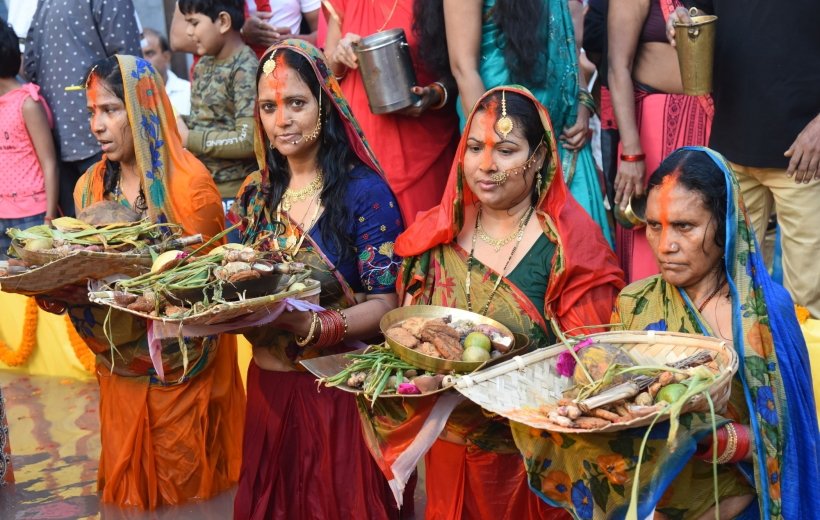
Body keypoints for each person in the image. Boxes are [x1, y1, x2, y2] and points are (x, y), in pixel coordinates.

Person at [355, 87, 623, 519]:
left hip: (526, 465)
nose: (485, 165)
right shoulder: (436, 236)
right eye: (475, 147)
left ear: (537, 159)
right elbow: (410, 336)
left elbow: (590, 368)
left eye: (506, 150)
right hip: (447, 452)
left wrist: (487, 386)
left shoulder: (572, 249)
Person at [513, 147, 820, 518]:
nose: (665, 245)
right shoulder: (636, 303)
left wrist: (707, 439)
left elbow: (788, 441)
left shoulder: (762, 313)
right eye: (655, 226)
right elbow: (617, 412)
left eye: (684, 226)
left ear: (724, 225)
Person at [37, 55, 245, 509]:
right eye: (92, 112)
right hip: (119, 366)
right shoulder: (88, 187)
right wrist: (57, 290)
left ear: (143, 107)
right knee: (125, 501)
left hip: (184, 371)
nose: (98, 125)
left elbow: (216, 292)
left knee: (185, 497)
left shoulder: (190, 187)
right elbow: (81, 273)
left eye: (111, 110)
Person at [228, 40, 402, 519]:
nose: (281, 119)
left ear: (325, 104)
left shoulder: (365, 194)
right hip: (267, 392)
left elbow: (387, 305)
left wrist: (318, 327)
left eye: (296, 103)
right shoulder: (254, 196)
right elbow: (230, 285)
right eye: (269, 106)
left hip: (336, 399)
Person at [668, 2, 820, 317]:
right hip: (733, 148)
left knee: (809, 297)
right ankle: (746, 366)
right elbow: (697, 11)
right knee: (732, 289)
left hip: (804, 154)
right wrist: (683, 21)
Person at [443, 0, 614, 248]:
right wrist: (497, 147)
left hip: (565, 140)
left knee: (581, 251)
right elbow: (464, 69)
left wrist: (582, 101)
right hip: (502, 138)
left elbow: (569, 48)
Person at [323, 0, 460, 225]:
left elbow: (462, 69)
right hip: (358, 148)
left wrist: (435, 93)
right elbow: (326, 72)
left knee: (425, 242)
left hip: (423, 146)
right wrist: (339, 57)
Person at [608, 0, 713, 282]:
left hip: (711, 128)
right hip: (653, 133)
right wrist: (631, 152)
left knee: (700, 235)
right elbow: (618, 67)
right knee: (653, 230)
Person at [24, 0, 141, 217]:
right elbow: (131, 64)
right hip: (92, 135)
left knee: (110, 233)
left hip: (76, 140)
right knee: (103, 237)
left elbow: (130, 69)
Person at [176, 0, 258, 207]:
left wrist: (189, 138)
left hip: (236, 193)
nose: (188, 31)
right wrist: (175, 122)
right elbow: (206, 120)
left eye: (194, 23)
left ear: (223, 21)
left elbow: (248, 140)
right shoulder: (203, 64)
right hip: (201, 184)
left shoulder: (245, 67)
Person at [0, 19, 58, 256]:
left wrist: (49, 218)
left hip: (32, 217)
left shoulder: (27, 103)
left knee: (33, 287)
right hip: (2, 214)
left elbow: (49, 162)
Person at [141, 27, 191, 117]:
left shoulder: (189, 92)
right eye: (139, 55)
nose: (143, 60)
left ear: (166, 57)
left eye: (149, 53)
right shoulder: (130, 98)